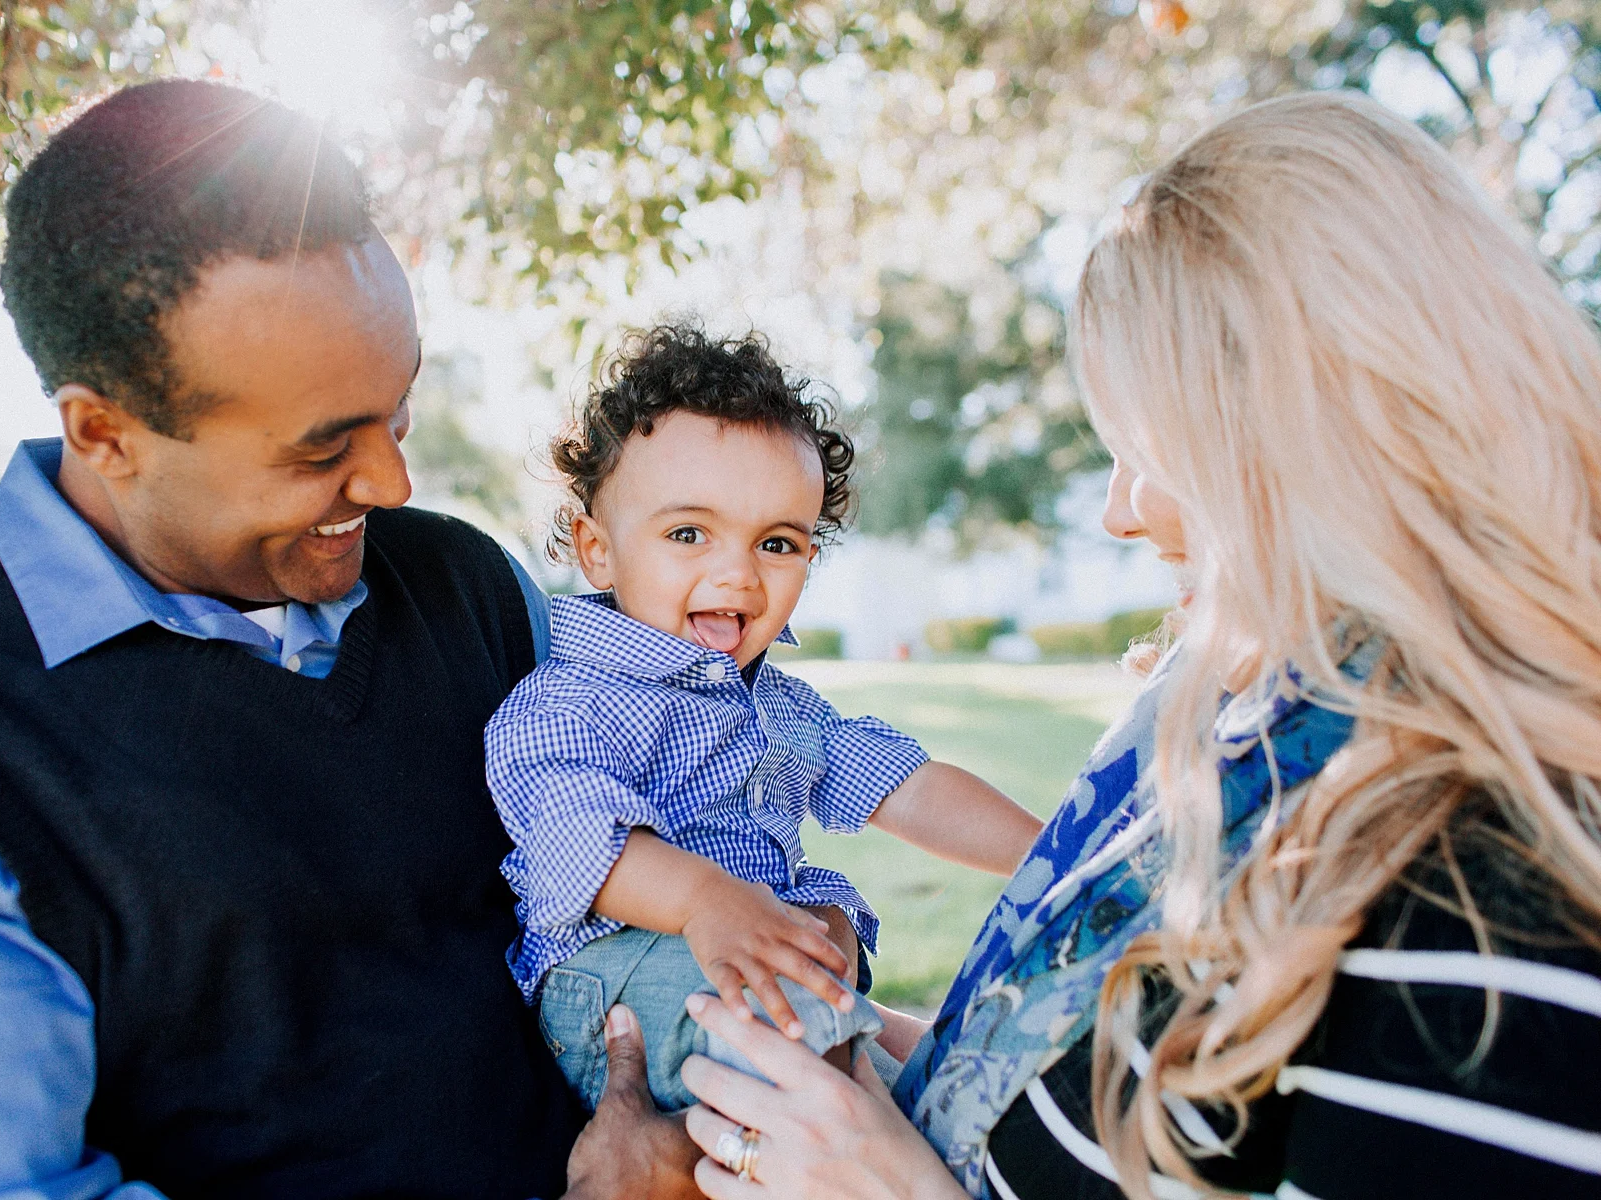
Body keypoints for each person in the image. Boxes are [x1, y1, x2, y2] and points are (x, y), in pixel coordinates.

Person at [670, 90, 1601, 1199]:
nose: (1121, 512)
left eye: (1147, 447)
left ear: (1304, 438)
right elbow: (1071, 1091)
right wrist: (847, 1065)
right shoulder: (1241, 720)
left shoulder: (1498, 889)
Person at [0, 80, 699, 1200]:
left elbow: (652, 887)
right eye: (323, 450)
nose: (391, 483)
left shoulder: (473, 590)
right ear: (105, 432)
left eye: (399, 410)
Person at [485, 325, 1043, 1113]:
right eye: (688, 533)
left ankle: (925, 1095)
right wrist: (708, 902)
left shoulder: (775, 705)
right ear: (597, 549)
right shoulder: (571, 699)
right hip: (619, 979)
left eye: (777, 543)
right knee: (825, 1057)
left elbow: (908, 789)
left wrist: (1056, 854)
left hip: (749, 971)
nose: (738, 573)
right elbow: (581, 848)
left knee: (931, 1064)